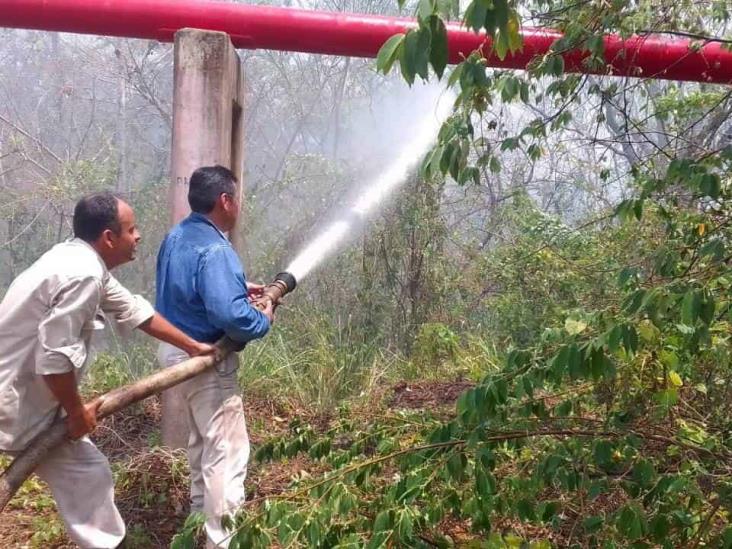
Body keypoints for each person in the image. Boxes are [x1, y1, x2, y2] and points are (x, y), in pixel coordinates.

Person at [0, 192, 213, 549]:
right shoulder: (81, 274)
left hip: (33, 401)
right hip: (18, 402)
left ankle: (111, 544)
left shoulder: (81, 261)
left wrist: (192, 347)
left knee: (89, 474)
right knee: (88, 475)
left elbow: (133, 310)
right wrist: (76, 412)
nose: (139, 236)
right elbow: (54, 361)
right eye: (132, 229)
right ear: (109, 238)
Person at [155, 165, 273, 548]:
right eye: (235, 197)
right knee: (227, 451)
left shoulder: (177, 236)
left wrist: (238, 286)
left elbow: (190, 290)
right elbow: (230, 317)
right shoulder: (217, 248)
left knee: (203, 444)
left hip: (175, 354)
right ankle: (221, 540)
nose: (238, 205)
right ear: (224, 201)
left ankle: (196, 525)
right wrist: (261, 317)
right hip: (206, 359)